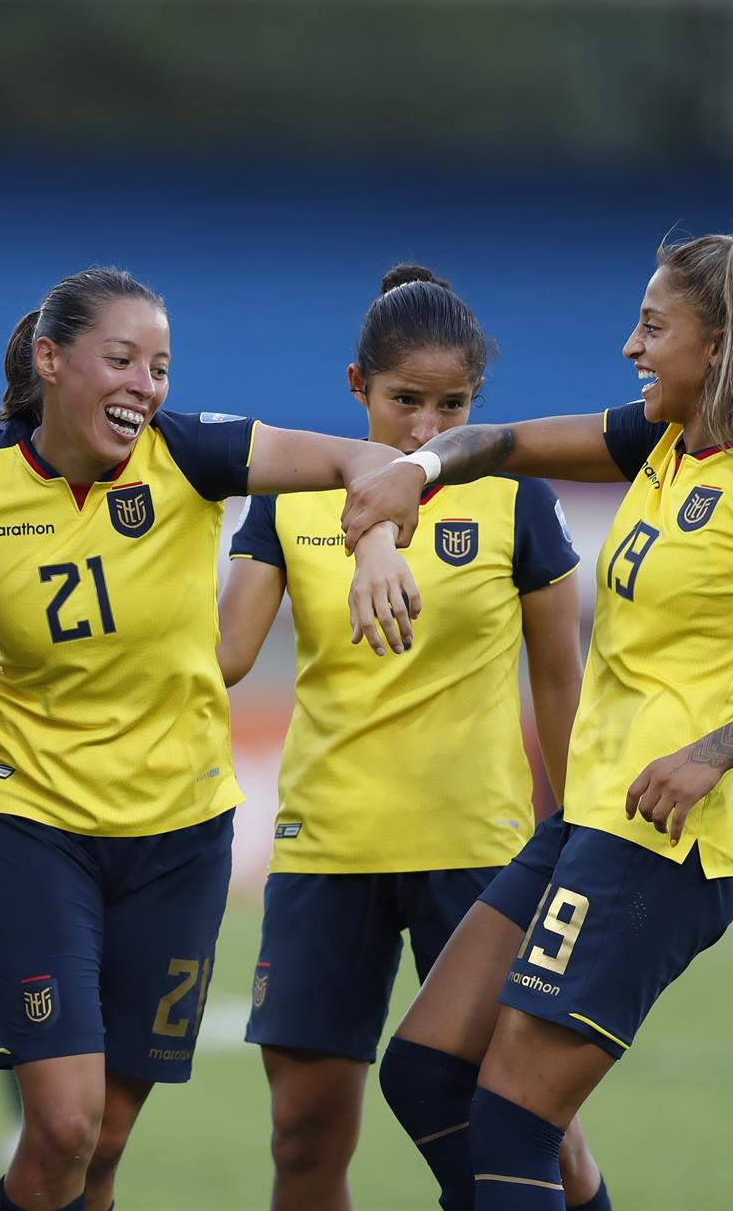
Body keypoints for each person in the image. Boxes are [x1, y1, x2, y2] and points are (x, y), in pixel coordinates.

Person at [0, 267, 423, 1211]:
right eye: (123, 359)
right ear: (52, 360)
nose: (147, 384)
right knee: (59, 1123)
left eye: (161, 365)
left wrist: (377, 547)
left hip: (178, 840)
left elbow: (368, 462)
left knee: (98, 1145)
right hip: (29, 827)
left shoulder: (191, 453)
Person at [343, 214, 733, 1210]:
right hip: (589, 820)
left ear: (715, 345)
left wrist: (712, 755)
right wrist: (413, 473)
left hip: (664, 841)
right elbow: (495, 439)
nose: (631, 348)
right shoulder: (661, 443)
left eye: (653, 327)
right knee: (425, 1073)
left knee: (512, 1120)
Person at [218, 265, 609, 1211]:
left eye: (453, 404)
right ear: (357, 386)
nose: (427, 429)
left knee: (526, 1126)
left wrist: (576, 836)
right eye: (404, 401)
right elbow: (222, 656)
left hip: (476, 852)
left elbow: (560, 681)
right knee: (303, 1137)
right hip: (329, 846)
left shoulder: (518, 500)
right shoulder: (294, 493)